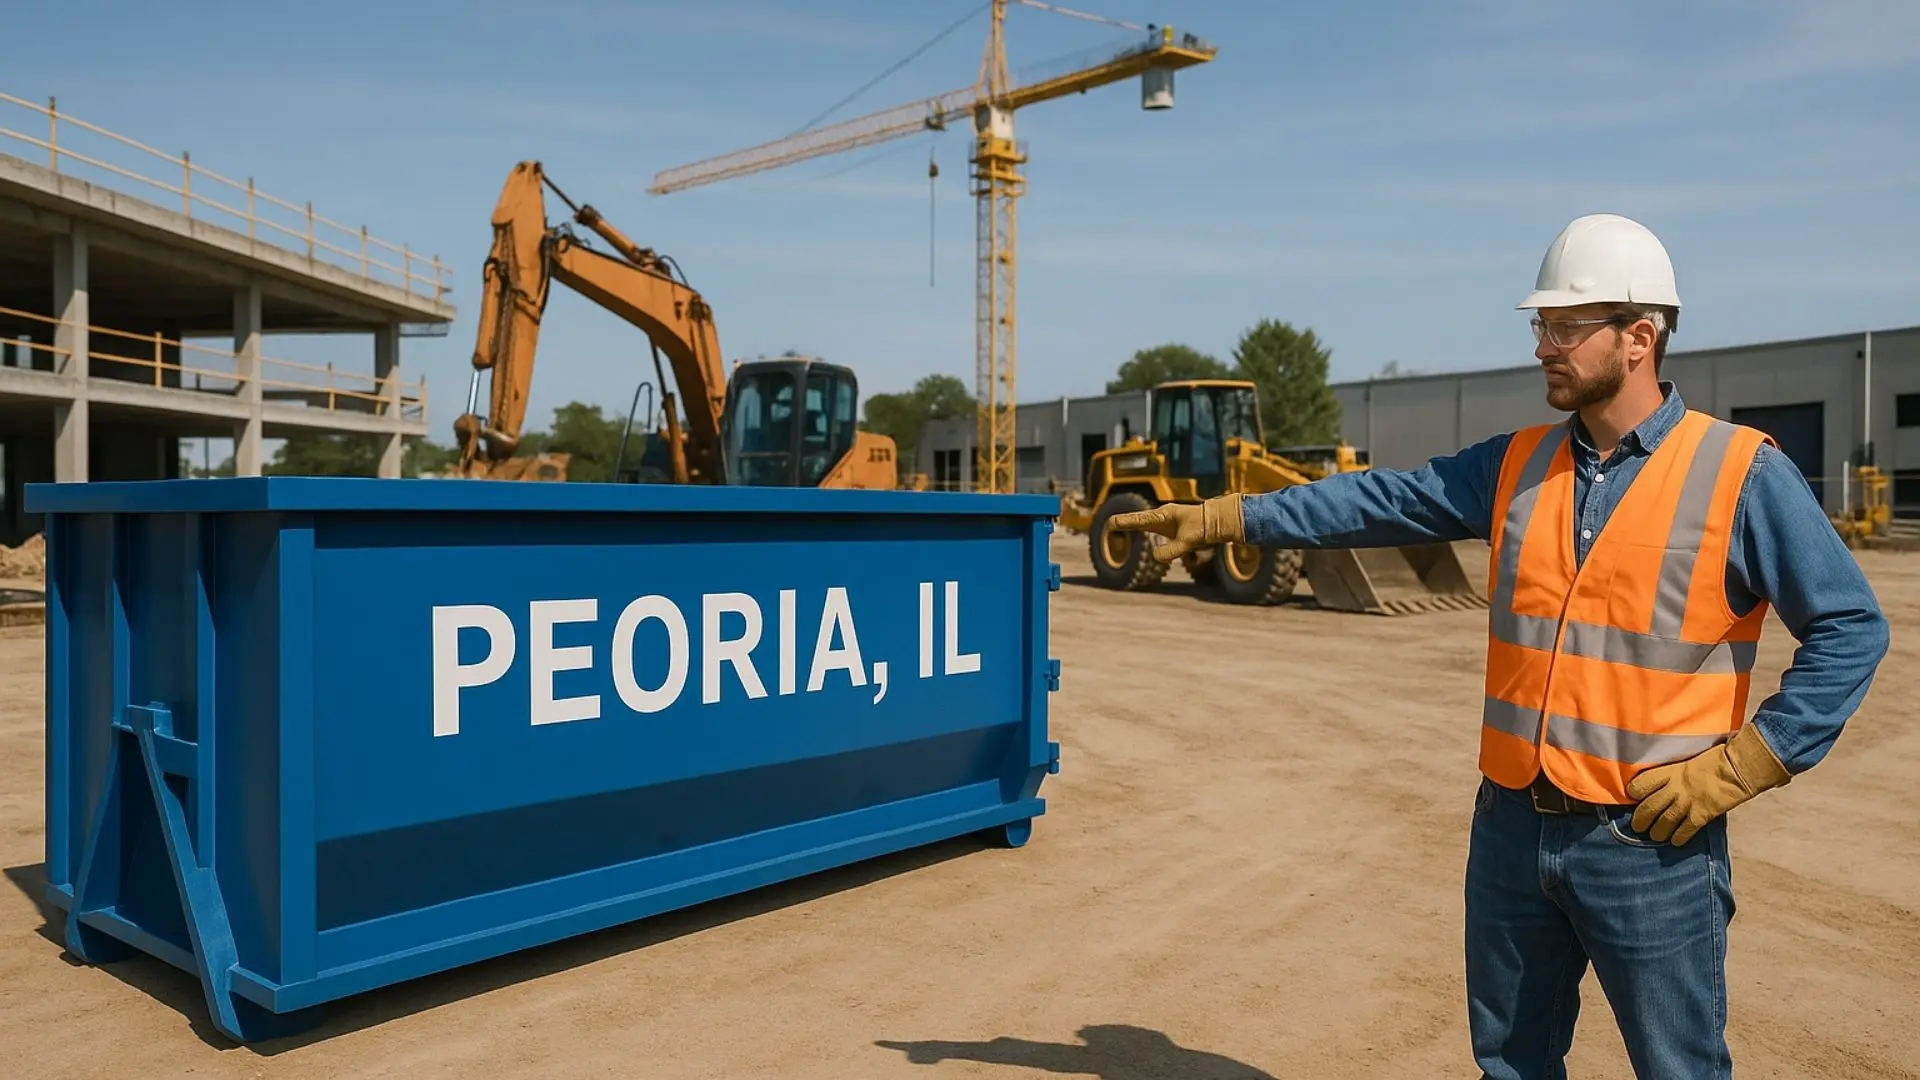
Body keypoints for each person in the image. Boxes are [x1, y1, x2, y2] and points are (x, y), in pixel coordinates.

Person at [1109, 213, 1890, 1080]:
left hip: (1652, 843)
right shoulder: (1515, 464)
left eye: (1563, 327)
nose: (1543, 347)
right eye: (1538, 327)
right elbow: (1377, 502)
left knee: (1681, 1071)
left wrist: (1746, 764)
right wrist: (1228, 516)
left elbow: (1850, 626)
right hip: (1512, 829)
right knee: (1511, 1067)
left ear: (1640, 336)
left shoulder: (1740, 472)